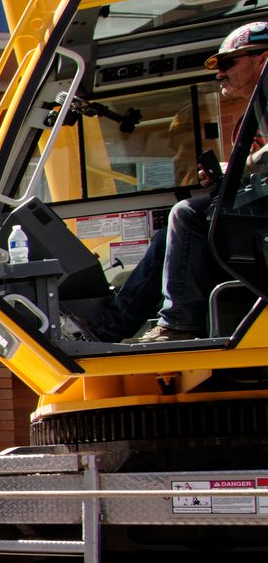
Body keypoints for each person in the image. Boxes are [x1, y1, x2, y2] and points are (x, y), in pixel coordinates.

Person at [91, 21, 268, 343]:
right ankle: (107, 330)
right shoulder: (260, 102)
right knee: (172, 232)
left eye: (229, 62)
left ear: (262, 58)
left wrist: (241, 167)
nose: (220, 73)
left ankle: (179, 323)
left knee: (188, 214)